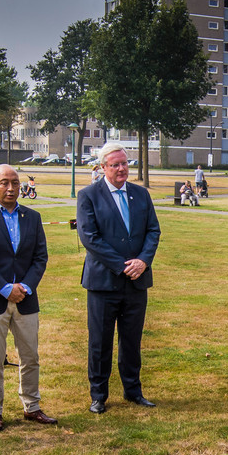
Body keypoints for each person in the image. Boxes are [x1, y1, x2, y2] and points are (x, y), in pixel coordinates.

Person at [0, 165, 55, 431]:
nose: (11, 188)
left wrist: (25, 287)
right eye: (4, 183)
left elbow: (40, 257)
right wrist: (6, 289)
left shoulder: (32, 217)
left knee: (30, 356)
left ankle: (32, 406)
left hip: (26, 299)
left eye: (15, 183)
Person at [77, 142, 162, 413]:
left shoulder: (141, 194)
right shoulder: (89, 195)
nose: (122, 169)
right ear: (103, 167)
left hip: (136, 282)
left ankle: (133, 390)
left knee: (132, 340)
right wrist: (122, 265)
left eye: (125, 163)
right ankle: (99, 395)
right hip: (103, 283)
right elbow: (89, 238)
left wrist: (143, 261)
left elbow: (153, 231)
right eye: (115, 165)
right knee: (100, 341)